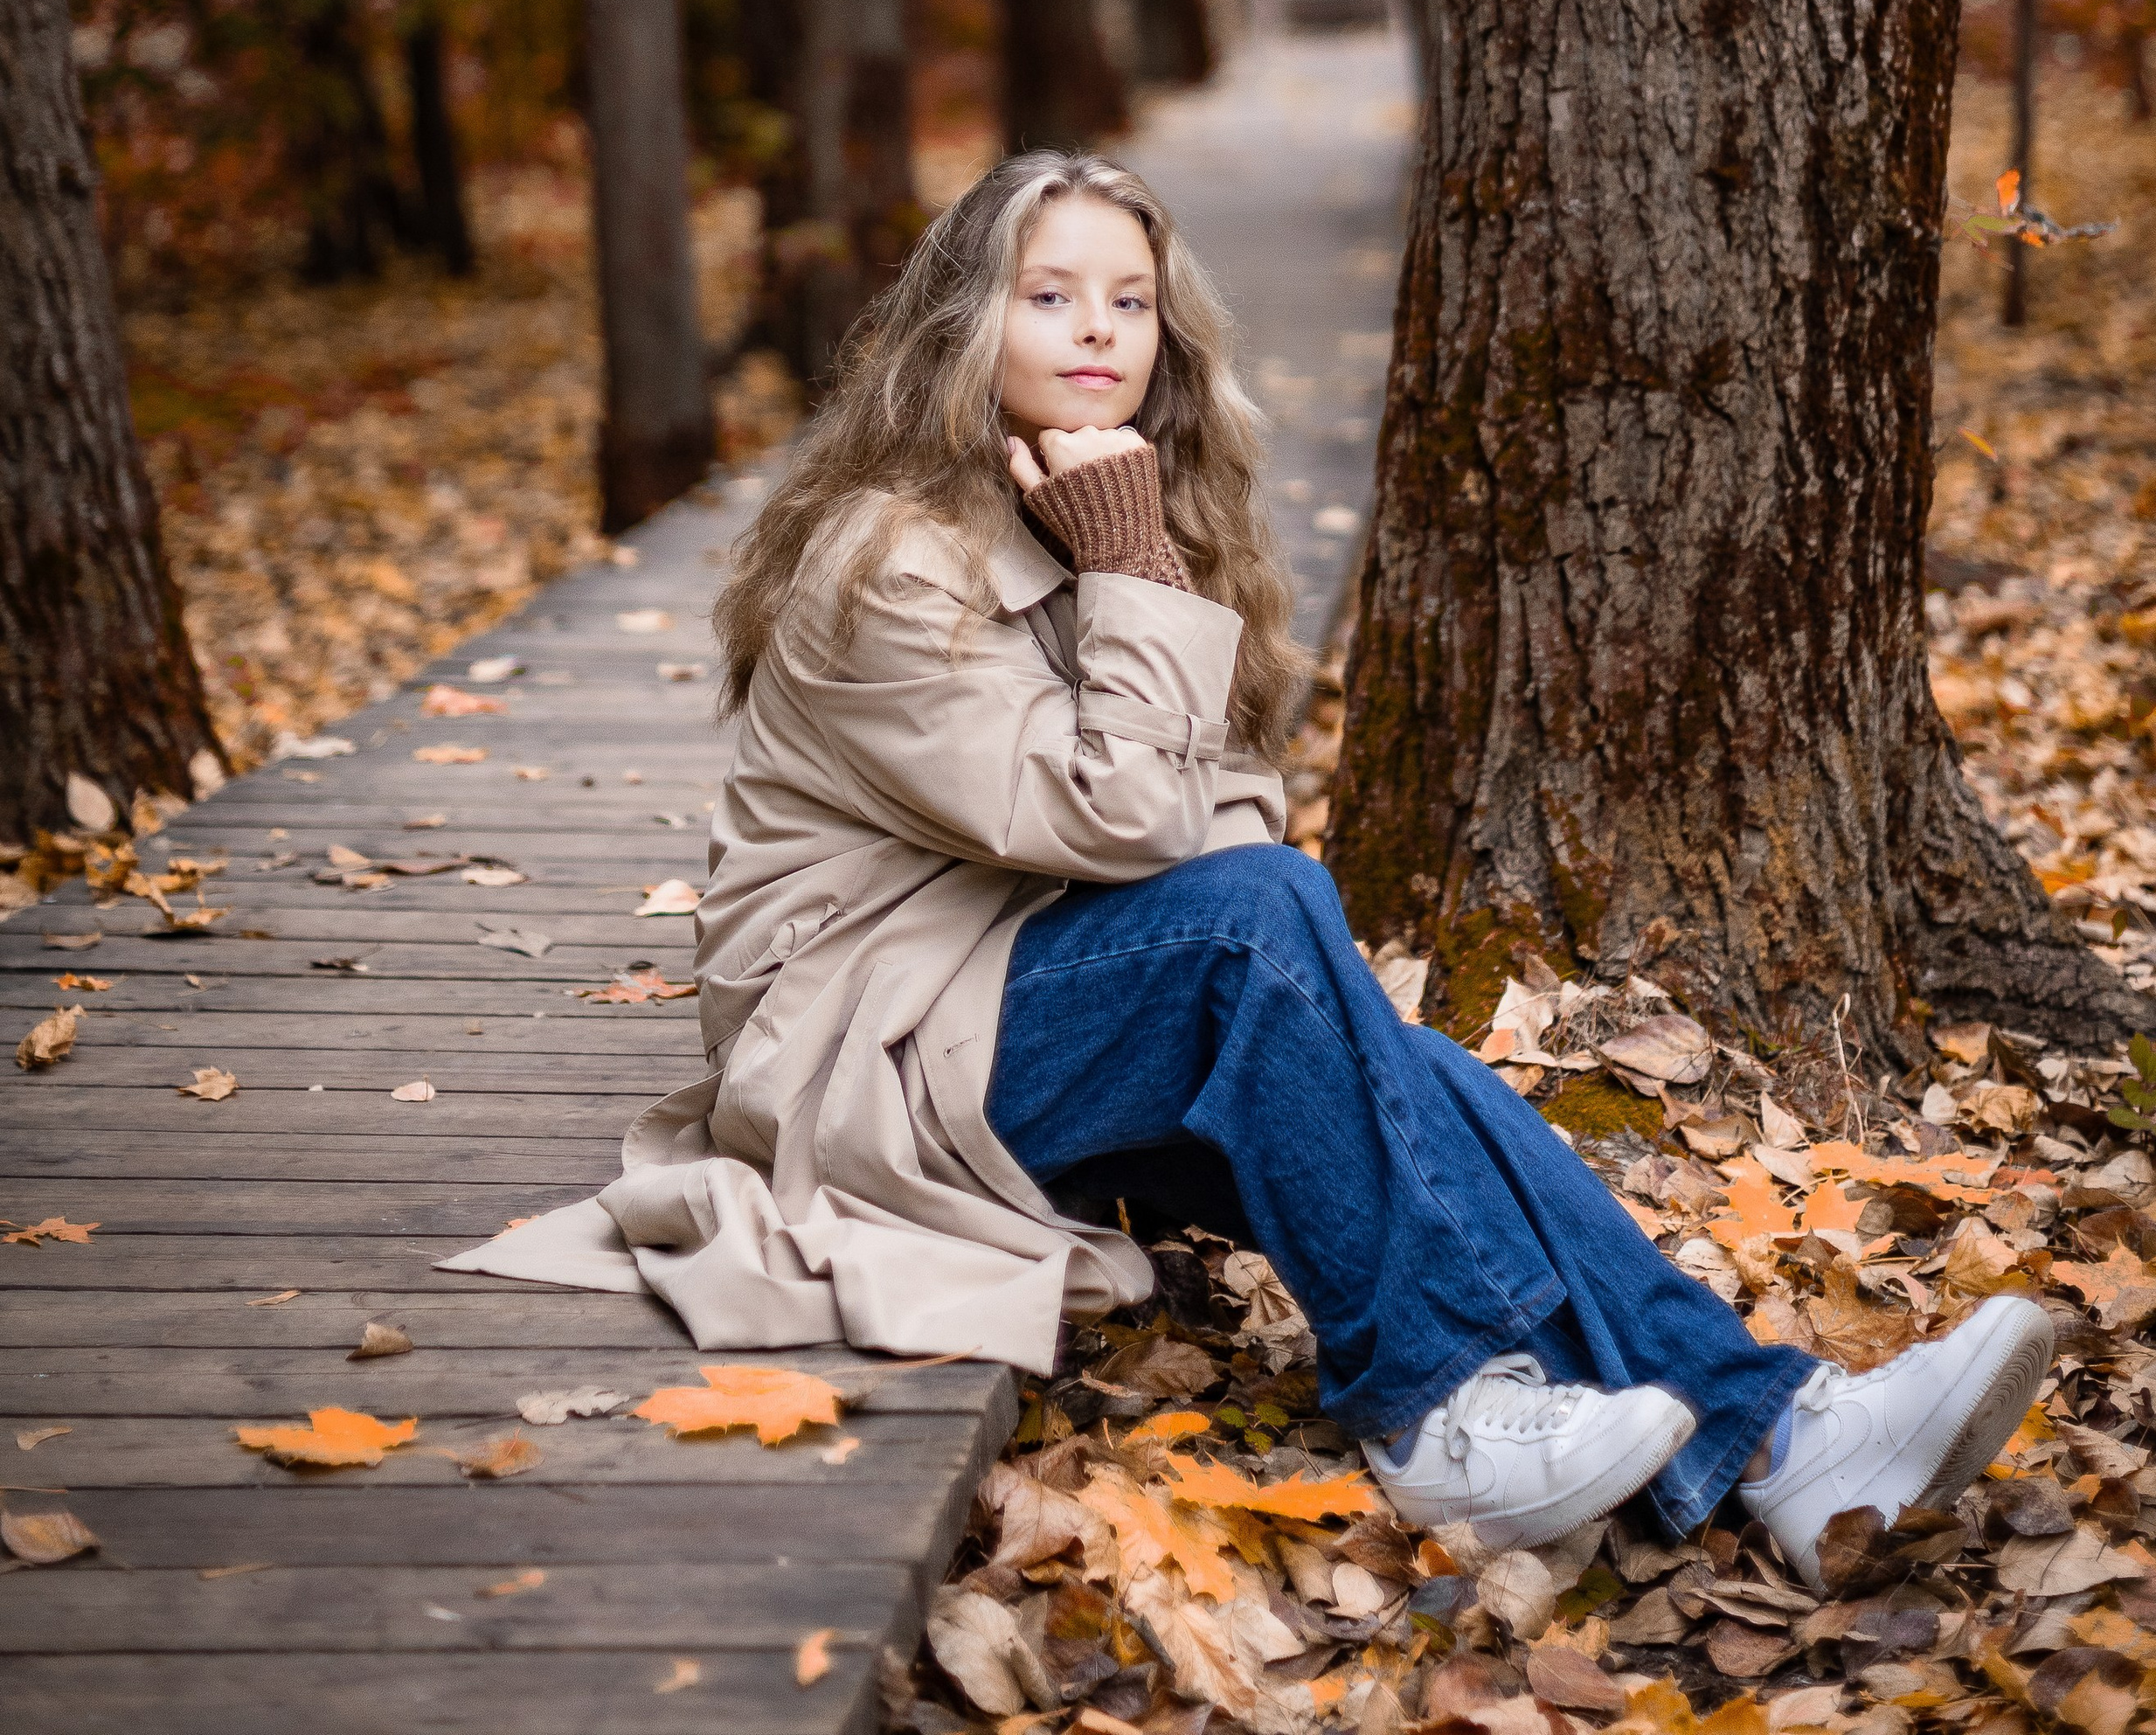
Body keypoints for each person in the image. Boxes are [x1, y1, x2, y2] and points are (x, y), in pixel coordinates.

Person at [443, 149, 2051, 1587]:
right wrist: (1136, 568)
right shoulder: (893, 559)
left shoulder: (1113, 520)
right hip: (878, 1051)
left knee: (1404, 1069)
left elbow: (1222, 838)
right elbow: (1144, 839)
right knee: (1278, 940)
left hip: (1025, 1002)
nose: (1097, 331)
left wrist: (1139, 563)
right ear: (958, 331)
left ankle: (1782, 1440)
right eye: (1048, 292)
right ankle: (1435, 1413)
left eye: (1129, 300)